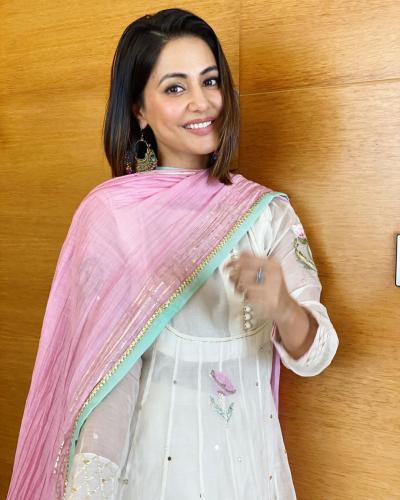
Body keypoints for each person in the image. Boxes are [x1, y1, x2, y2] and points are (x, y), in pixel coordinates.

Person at [7, 8, 338, 500]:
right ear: (139, 110)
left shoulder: (265, 214)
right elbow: (108, 380)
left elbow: (317, 356)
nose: (202, 102)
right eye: (175, 88)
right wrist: (90, 488)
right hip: (151, 476)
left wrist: (282, 305)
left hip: (251, 473)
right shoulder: (113, 216)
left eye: (210, 81)